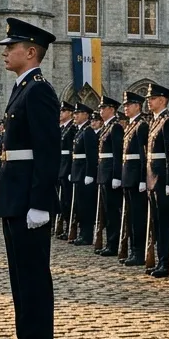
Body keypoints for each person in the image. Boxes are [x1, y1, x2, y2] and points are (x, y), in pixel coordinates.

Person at [0, 17, 60, 339]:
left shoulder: (39, 91)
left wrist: (41, 203)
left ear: (31, 52)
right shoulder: (22, 89)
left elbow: (48, 152)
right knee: (20, 280)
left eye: (11, 46)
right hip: (14, 196)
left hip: (28, 200)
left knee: (33, 280)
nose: (5, 51)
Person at [144, 83, 169, 278]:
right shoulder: (155, 121)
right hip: (153, 179)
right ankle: (160, 259)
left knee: (165, 224)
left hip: (163, 180)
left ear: (163, 100)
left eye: (153, 98)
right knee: (157, 223)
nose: (149, 101)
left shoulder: (168, 121)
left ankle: (166, 262)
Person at [121, 91, 151, 266]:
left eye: (128, 105)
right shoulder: (131, 125)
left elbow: (143, 155)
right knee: (131, 216)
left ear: (137, 106)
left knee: (138, 217)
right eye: (125, 105)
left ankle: (139, 252)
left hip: (135, 178)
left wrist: (142, 178)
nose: (125, 107)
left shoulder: (141, 126)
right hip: (128, 176)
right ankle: (133, 250)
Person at [96, 96, 125, 256]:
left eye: (103, 108)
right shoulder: (106, 127)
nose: (100, 110)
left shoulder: (115, 127)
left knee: (113, 211)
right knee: (106, 211)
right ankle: (109, 242)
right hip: (103, 173)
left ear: (112, 109)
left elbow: (117, 153)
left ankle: (113, 244)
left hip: (110, 174)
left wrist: (116, 175)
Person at [70, 100, 98, 246]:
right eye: (74, 113)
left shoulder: (88, 132)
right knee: (80, 205)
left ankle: (86, 235)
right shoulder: (80, 131)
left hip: (83, 172)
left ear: (86, 115)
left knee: (86, 206)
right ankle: (82, 233)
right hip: (77, 171)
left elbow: (91, 155)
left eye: (78, 113)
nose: (75, 115)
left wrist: (90, 173)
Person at [57, 102, 77, 239]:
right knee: (63, 199)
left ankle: (71, 226)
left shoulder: (72, 129)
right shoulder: (63, 128)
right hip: (61, 167)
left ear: (70, 113)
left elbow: (72, 152)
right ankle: (65, 225)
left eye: (63, 111)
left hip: (67, 167)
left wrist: (70, 170)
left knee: (69, 199)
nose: (60, 113)